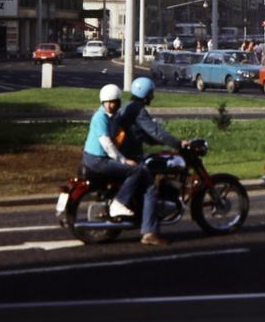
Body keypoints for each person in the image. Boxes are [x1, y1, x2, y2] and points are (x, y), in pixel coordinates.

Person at [113, 76, 190, 246]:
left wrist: (156, 142)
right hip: (130, 155)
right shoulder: (138, 111)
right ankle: (149, 232)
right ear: (146, 94)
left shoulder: (129, 107)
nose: (153, 96)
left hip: (125, 152)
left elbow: (141, 134)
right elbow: (155, 131)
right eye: (151, 93)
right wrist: (177, 143)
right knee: (151, 188)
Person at [80, 83, 149, 230]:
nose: (111, 105)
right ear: (102, 102)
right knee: (136, 171)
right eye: (108, 102)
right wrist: (123, 160)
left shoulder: (112, 117)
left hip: (98, 158)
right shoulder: (100, 117)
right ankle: (119, 203)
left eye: (114, 102)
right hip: (97, 160)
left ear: (118, 102)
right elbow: (107, 144)